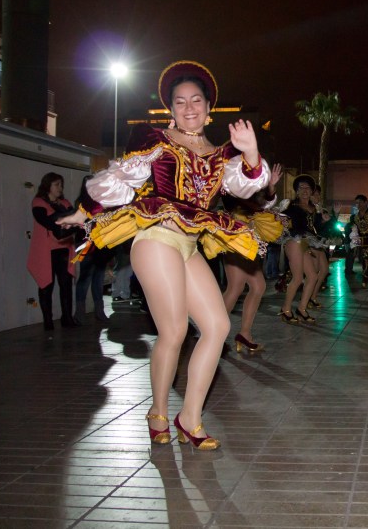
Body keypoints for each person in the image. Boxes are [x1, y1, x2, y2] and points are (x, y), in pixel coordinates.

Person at [57, 60, 276, 451]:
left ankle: (188, 416)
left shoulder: (220, 153)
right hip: (156, 237)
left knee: (218, 328)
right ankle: (158, 410)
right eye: (180, 102)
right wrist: (83, 208)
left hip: (189, 243)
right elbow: (120, 179)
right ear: (170, 109)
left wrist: (252, 152)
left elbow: (246, 188)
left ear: (210, 108)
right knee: (173, 331)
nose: (189, 108)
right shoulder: (155, 140)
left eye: (196, 100)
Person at [221, 163, 285, 352]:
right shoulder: (229, 184)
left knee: (258, 286)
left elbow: (263, 204)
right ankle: (215, 334)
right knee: (236, 287)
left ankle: (245, 334)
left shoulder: (252, 189)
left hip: (249, 239)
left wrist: (271, 186)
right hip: (234, 237)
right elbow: (254, 205)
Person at [28, 172, 79, 330]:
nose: (60, 188)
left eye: (61, 185)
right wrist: (65, 218)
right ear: (48, 186)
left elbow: (75, 218)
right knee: (46, 286)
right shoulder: (38, 202)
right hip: (46, 250)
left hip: (63, 248)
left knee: (66, 285)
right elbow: (46, 221)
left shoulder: (64, 202)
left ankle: (67, 318)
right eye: (56, 185)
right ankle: (48, 322)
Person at [278, 174, 321, 323]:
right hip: (293, 240)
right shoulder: (290, 205)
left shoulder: (313, 207)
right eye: (301, 187)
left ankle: (302, 308)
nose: (304, 190)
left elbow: (317, 227)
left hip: (305, 242)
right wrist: (280, 218)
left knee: (313, 276)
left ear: (312, 191)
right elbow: (279, 217)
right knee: (297, 278)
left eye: (308, 187)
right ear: (296, 191)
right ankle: (286, 309)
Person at [73, 175, 114, 322]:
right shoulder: (82, 203)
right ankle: (80, 313)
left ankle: (98, 311)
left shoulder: (101, 203)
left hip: (99, 244)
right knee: (85, 277)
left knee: (97, 278)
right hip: (86, 243)